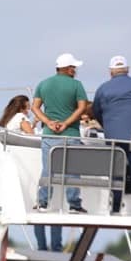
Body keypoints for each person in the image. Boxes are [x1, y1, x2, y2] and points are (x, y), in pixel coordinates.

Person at [90, 55, 131, 217]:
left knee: (116, 171)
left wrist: (107, 126)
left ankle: (116, 207)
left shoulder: (103, 88)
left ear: (111, 72)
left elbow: (96, 111)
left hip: (113, 136)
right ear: (127, 70)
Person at [32, 52, 89, 215]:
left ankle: (43, 202)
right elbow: (82, 107)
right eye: (74, 67)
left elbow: (34, 107)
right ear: (69, 69)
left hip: (49, 133)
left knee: (47, 170)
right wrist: (66, 123)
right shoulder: (77, 85)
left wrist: (49, 122)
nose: (75, 70)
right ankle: (74, 204)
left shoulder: (43, 84)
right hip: (70, 133)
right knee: (73, 170)